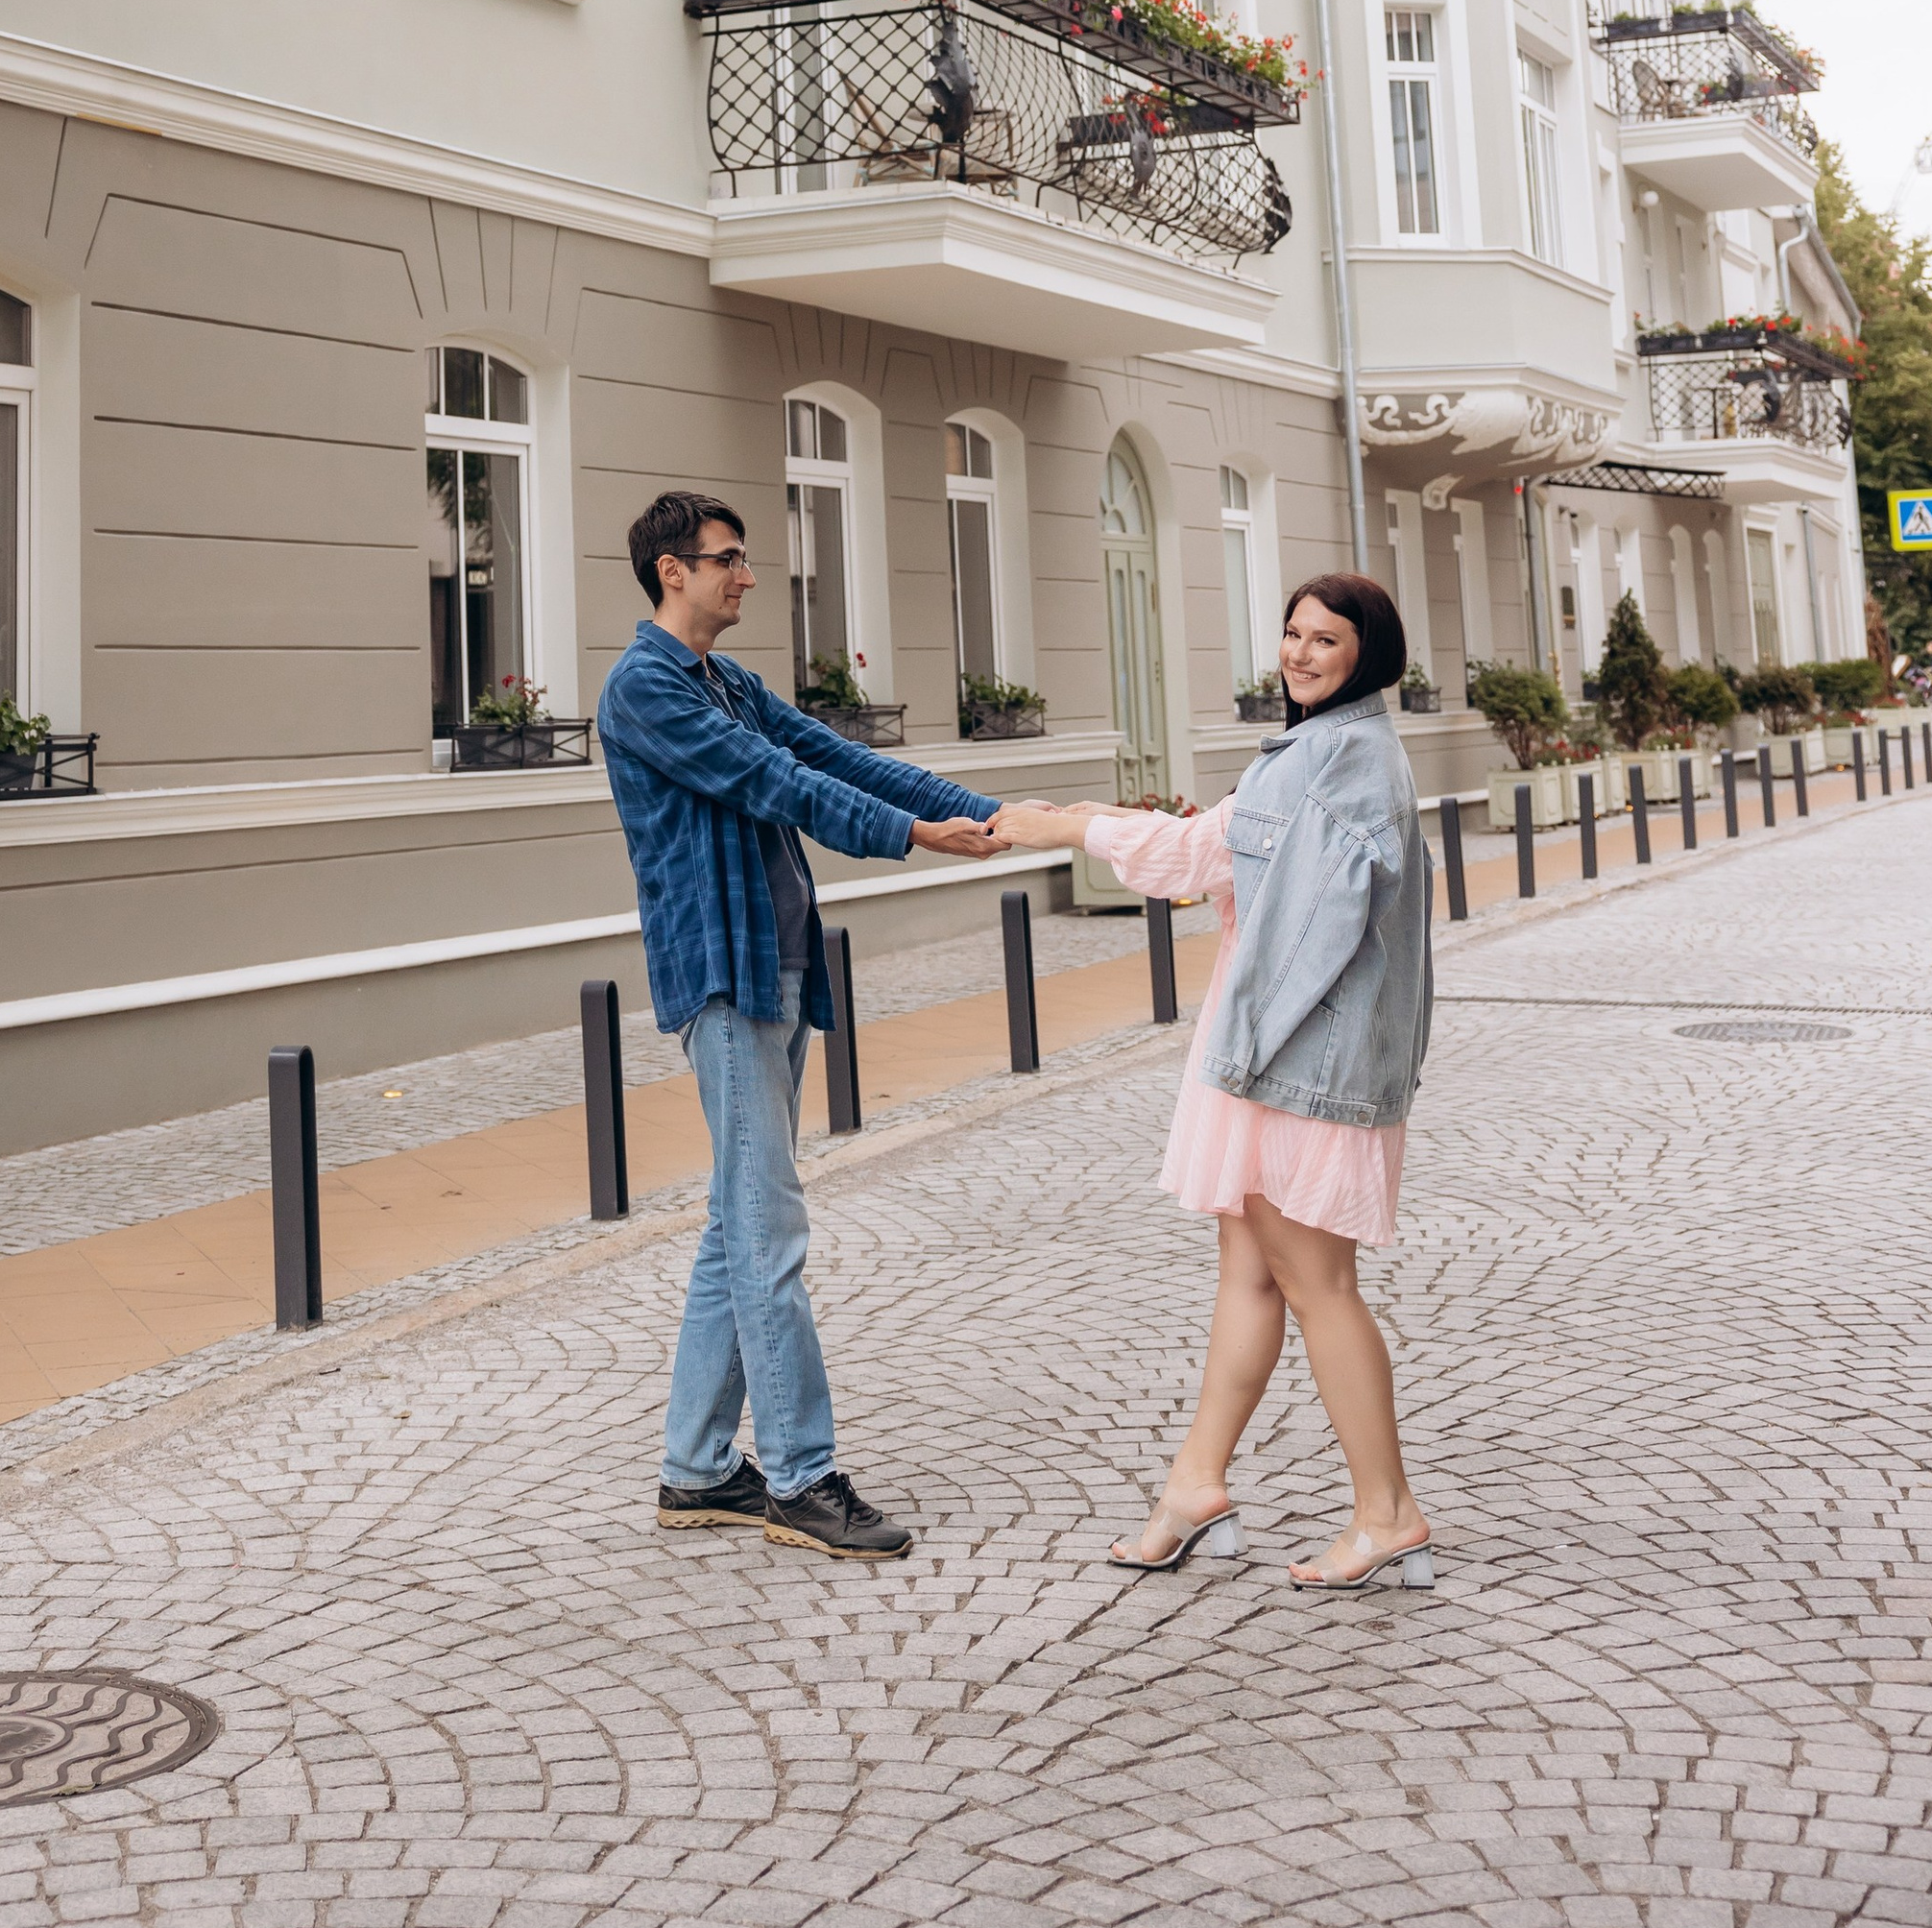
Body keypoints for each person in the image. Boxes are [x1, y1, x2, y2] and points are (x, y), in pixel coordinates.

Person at [998, 569, 1436, 1593]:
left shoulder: (1330, 760)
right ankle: (1195, 1487)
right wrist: (1097, 819)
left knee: (1318, 1286)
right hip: (1285, 1054)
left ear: (1366, 654)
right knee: (1249, 1273)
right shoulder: (1334, 750)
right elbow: (1230, 849)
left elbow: (1213, 862)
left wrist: (1068, 827)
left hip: (1295, 1061)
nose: (1300, 654)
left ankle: (1387, 1514)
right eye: (1292, 634)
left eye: (1325, 640)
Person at [596, 488, 1008, 1560]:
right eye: (727, 558)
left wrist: (986, 810)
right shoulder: (644, 688)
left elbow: (836, 757)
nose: (746, 575)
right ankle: (799, 1476)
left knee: (737, 1224)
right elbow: (774, 781)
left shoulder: (726, 681)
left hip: (776, 968)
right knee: (766, 1230)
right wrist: (914, 834)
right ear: (672, 571)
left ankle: (696, 1471)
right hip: (725, 978)